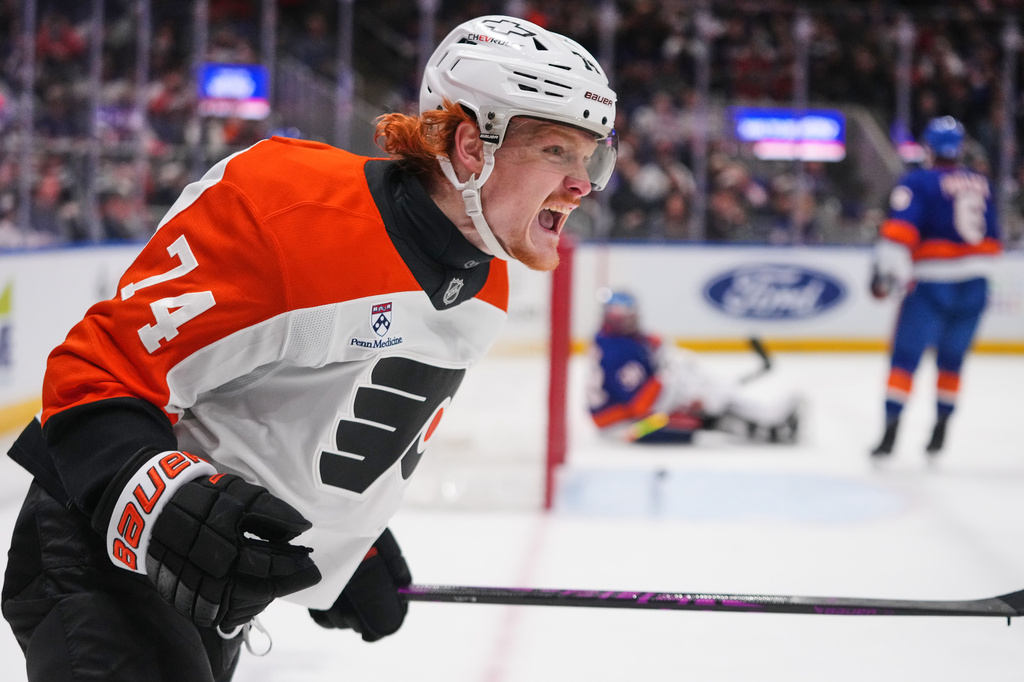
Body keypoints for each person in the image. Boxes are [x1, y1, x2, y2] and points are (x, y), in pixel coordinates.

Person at [1, 15, 618, 681]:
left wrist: (345, 539)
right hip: (101, 551)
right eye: (558, 152)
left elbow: (306, 415)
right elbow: (93, 372)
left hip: (213, 575)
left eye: (590, 157)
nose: (584, 184)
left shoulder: (485, 280)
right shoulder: (293, 211)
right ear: (472, 145)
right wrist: (164, 502)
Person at [869, 116, 1002, 459]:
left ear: (928, 147)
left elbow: (899, 234)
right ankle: (940, 431)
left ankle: (890, 433)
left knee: (905, 357)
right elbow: (994, 239)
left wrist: (884, 273)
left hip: (931, 284)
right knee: (952, 359)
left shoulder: (919, 181)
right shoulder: (982, 183)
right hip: (975, 284)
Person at [586, 291, 800, 444]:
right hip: (627, 428)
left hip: (628, 415)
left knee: (693, 392)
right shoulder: (617, 354)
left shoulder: (612, 338)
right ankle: (764, 426)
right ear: (614, 318)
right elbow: (640, 406)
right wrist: (669, 380)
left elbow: (644, 346)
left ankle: (762, 418)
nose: (634, 320)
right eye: (628, 316)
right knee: (691, 413)